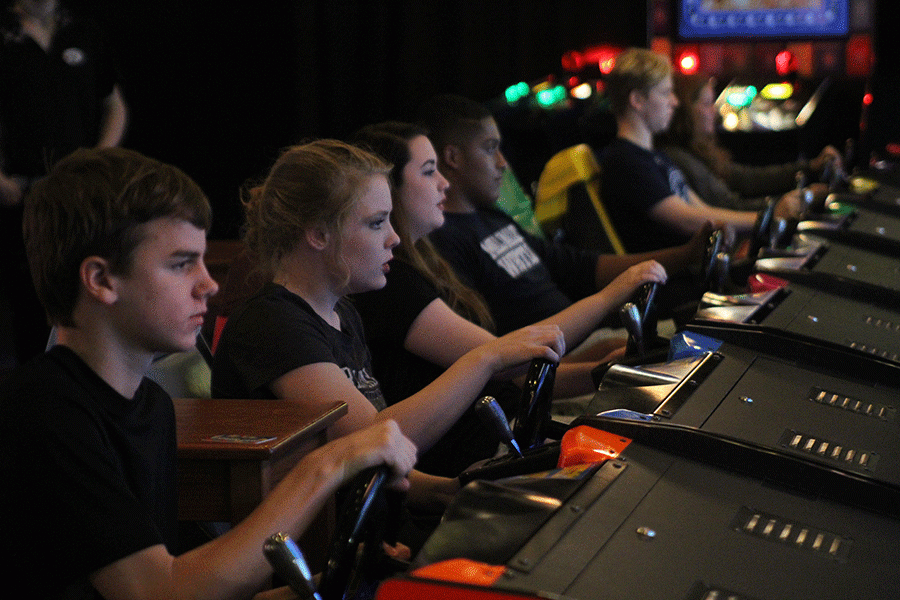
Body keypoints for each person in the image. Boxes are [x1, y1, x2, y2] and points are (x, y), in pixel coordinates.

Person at [0, 146, 418, 600]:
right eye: (181, 264)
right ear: (101, 280)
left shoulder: (152, 406)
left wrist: (338, 580)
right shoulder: (45, 410)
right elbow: (159, 592)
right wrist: (327, 463)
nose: (209, 284)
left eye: (202, 260)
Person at [211, 140, 565, 504]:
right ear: (318, 233)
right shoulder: (272, 324)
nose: (394, 238)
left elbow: (380, 464)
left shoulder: (343, 313)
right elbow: (374, 438)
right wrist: (484, 359)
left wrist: (455, 491)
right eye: (377, 223)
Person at [350, 121, 666, 474]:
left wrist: (603, 369)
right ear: (388, 192)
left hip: (517, 423)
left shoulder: (429, 263)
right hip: (489, 447)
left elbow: (513, 369)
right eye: (428, 172)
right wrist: (610, 299)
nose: (444, 183)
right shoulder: (395, 283)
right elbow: (510, 364)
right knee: (646, 459)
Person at [418, 93, 710, 338]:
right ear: (453, 158)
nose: (502, 163)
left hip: (592, 341)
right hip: (559, 365)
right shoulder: (443, 243)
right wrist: (606, 356)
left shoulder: (493, 218)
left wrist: (686, 254)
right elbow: (501, 354)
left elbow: (579, 265)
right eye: (490, 149)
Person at [1, 0, 128, 364]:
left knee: (82, 291)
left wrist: (100, 159)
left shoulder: (84, 32)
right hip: (20, 195)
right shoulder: (6, 35)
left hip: (80, 193)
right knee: (27, 304)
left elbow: (114, 103)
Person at [600, 47, 807, 254]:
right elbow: (687, 219)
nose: (674, 101)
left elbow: (701, 209)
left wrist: (769, 214)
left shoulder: (654, 156)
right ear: (637, 100)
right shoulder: (625, 161)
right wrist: (768, 218)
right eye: (665, 93)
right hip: (675, 280)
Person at [657, 71, 841, 212]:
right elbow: (730, 207)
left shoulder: (697, 150)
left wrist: (810, 167)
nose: (713, 112)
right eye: (706, 104)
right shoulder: (679, 158)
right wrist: (804, 198)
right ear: (685, 111)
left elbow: (747, 178)